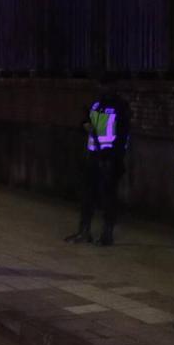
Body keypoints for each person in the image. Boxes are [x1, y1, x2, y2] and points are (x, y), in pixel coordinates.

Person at [66, 75, 128, 245]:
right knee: (88, 195)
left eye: (105, 85)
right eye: (100, 85)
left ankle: (107, 234)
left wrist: (114, 157)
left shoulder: (120, 107)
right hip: (93, 156)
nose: (101, 88)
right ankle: (84, 231)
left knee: (108, 197)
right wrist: (84, 125)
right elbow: (87, 124)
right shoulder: (96, 105)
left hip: (109, 158)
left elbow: (123, 135)